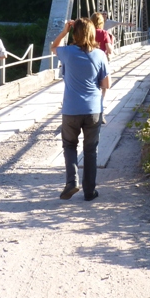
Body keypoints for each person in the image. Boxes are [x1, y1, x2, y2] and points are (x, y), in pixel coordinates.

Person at [50, 18, 110, 201]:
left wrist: (64, 31)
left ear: (74, 33)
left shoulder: (67, 52)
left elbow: (53, 47)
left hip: (71, 109)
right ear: (93, 33)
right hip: (93, 110)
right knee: (90, 150)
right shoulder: (100, 55)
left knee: (69, 145)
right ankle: (89, 192)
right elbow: (106, 84)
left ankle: (72, 182)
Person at [91, 12, 114, 124]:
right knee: (104, 87)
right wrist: (111, 42)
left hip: (88, 63)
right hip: (101, 63)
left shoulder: (87, 33)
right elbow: (109, 50)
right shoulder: (104, 33)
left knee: (91, 86)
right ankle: (100, 111)